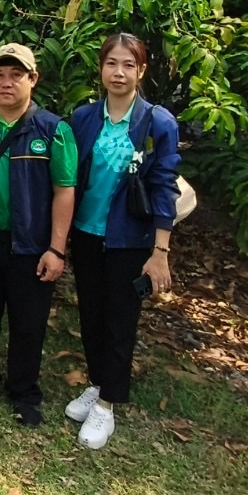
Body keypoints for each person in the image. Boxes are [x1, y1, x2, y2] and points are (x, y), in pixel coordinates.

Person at [0, 43, 77, 427]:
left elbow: (64, 190)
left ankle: (24, 392)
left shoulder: (54, 130)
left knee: (28, 319)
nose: (6, 83)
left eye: (16, 75)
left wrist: (56, 248)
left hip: (32, 244)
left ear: (32, 79)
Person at [65, 33, 181, 449]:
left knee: (119, 321)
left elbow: (165, 186)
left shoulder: (157, 123)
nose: (119, 72)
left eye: (128, 65)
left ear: (141, 71)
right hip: (87, 233)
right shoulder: (84, 118)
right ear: (101, 69)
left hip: (129, 239)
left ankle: (107, 405)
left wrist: (160, 252)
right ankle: (98, 383)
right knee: (92, 315)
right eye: (112, 63)